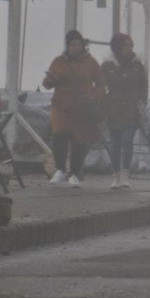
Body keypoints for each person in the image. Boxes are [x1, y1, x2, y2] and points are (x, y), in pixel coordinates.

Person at [42, 30, 104, 188]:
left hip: (83, 107)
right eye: (72, 44)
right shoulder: (58, 61)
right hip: (61, 106)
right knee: (60, 136)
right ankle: (60, 170)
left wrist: (95, 98)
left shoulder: (91, 62)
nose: (76, 47)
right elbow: (47, 83)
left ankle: (75, 173)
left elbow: (101, 82)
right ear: (67, 46)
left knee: (80, 141)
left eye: (78, 44)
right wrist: (51, 80)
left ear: (83, 46)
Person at [101, 32, 148, 190]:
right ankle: (116, 176)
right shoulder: (108, 65)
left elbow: (143, 84)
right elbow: (101, 84)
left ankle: (125, 174)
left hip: (131, 108)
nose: (128, 48)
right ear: (117, 47)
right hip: (113, 109)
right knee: (115, 143)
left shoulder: (137, 64)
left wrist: (142, 101)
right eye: (125, 45)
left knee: (127, 140)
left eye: (130, 45)